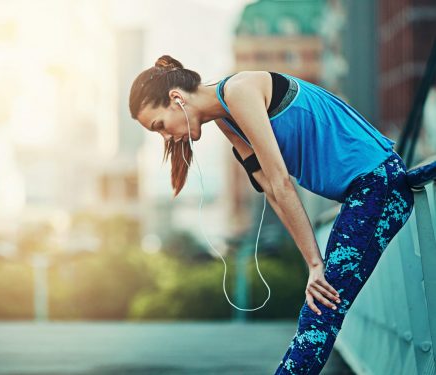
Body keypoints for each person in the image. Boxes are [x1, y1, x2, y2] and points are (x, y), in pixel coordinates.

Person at [128, 55, 415, 375]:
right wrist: (313, 261)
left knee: (319, 315)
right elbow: (270, 188)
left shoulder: (239, 91)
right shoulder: (226, 119)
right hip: (363, 193)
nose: (167, 138)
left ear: (176, 98)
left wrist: (315, 264)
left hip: (378, 183)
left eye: (160, 126)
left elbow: (281, 181)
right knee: (321, 313)